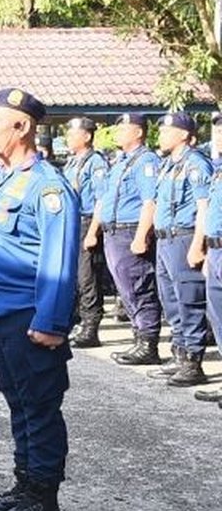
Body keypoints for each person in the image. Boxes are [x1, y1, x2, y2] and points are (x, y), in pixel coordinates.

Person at [0, 87, 79, 511]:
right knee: (18, 402)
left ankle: (44, 498)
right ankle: (25, 483)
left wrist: (52, 322)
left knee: (39, 406)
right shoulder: (9, 179)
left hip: (30, 316)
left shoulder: (47, 186)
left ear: (21, 126)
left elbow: (58, 260)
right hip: (3, 315)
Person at [84, 113, 162, 366]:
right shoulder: (120, 162)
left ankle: (148, 343)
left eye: (123, 129)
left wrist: (141, 236)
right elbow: (104, 200)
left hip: (130, 230)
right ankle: (139, 338)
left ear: (138, 132)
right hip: (113, 232)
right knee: (126, 289)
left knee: (139, 287)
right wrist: (95, 231)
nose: (117, 133)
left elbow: (150, 201)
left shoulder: (146, 161)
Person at [145, 113, 212, 386]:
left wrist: (198, 245)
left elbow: (204, 207)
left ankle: (193, 362)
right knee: (170, 300)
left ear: (183, 134)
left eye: (166, 131)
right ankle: (180, 353)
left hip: (184, 237)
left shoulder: (195, 163)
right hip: (165, 240)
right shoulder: (167, 165)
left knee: (189, 300)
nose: (160, 135)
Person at [62, 118, 109, 347]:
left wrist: (93, 231)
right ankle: (74, 321)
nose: (68, 138)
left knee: (87, 277)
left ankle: (91, 327)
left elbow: (102, 199)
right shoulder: (72, 162)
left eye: (73, 134)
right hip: (72, 223)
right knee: (73, 277)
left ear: (87, 136)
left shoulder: (96, 162)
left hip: (87, 221)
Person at [193, 111, 222, 405]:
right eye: (217, 132)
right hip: (216, 250)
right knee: (217, 316)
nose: (219, 137)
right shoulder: (217, 170)